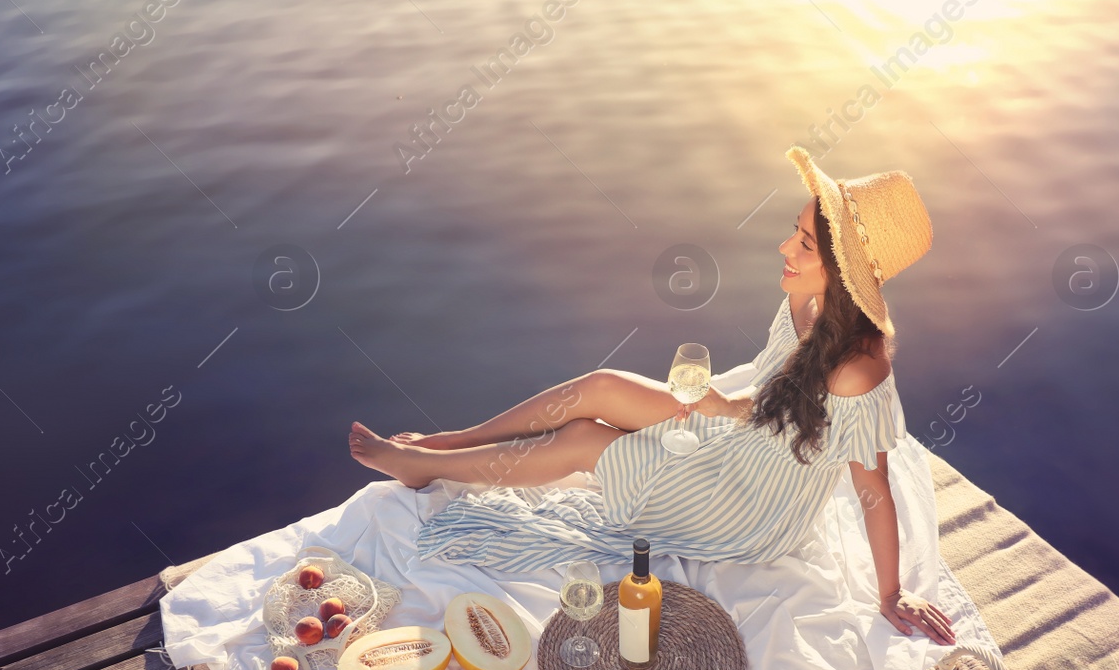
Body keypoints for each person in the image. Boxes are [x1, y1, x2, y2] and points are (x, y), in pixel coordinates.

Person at [348, 146, 955, 644]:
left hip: (751, 505)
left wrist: (890, 592)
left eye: (804, 246)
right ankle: (457, 440)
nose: (784, 249)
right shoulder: (811, 300)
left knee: (586, 439)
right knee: (600, 386)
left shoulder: (859, 371)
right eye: (792, 232)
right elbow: (787, 402)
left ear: (844, 273)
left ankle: (425, 467)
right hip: (740, 438)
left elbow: (872, 487)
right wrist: (729, 407)